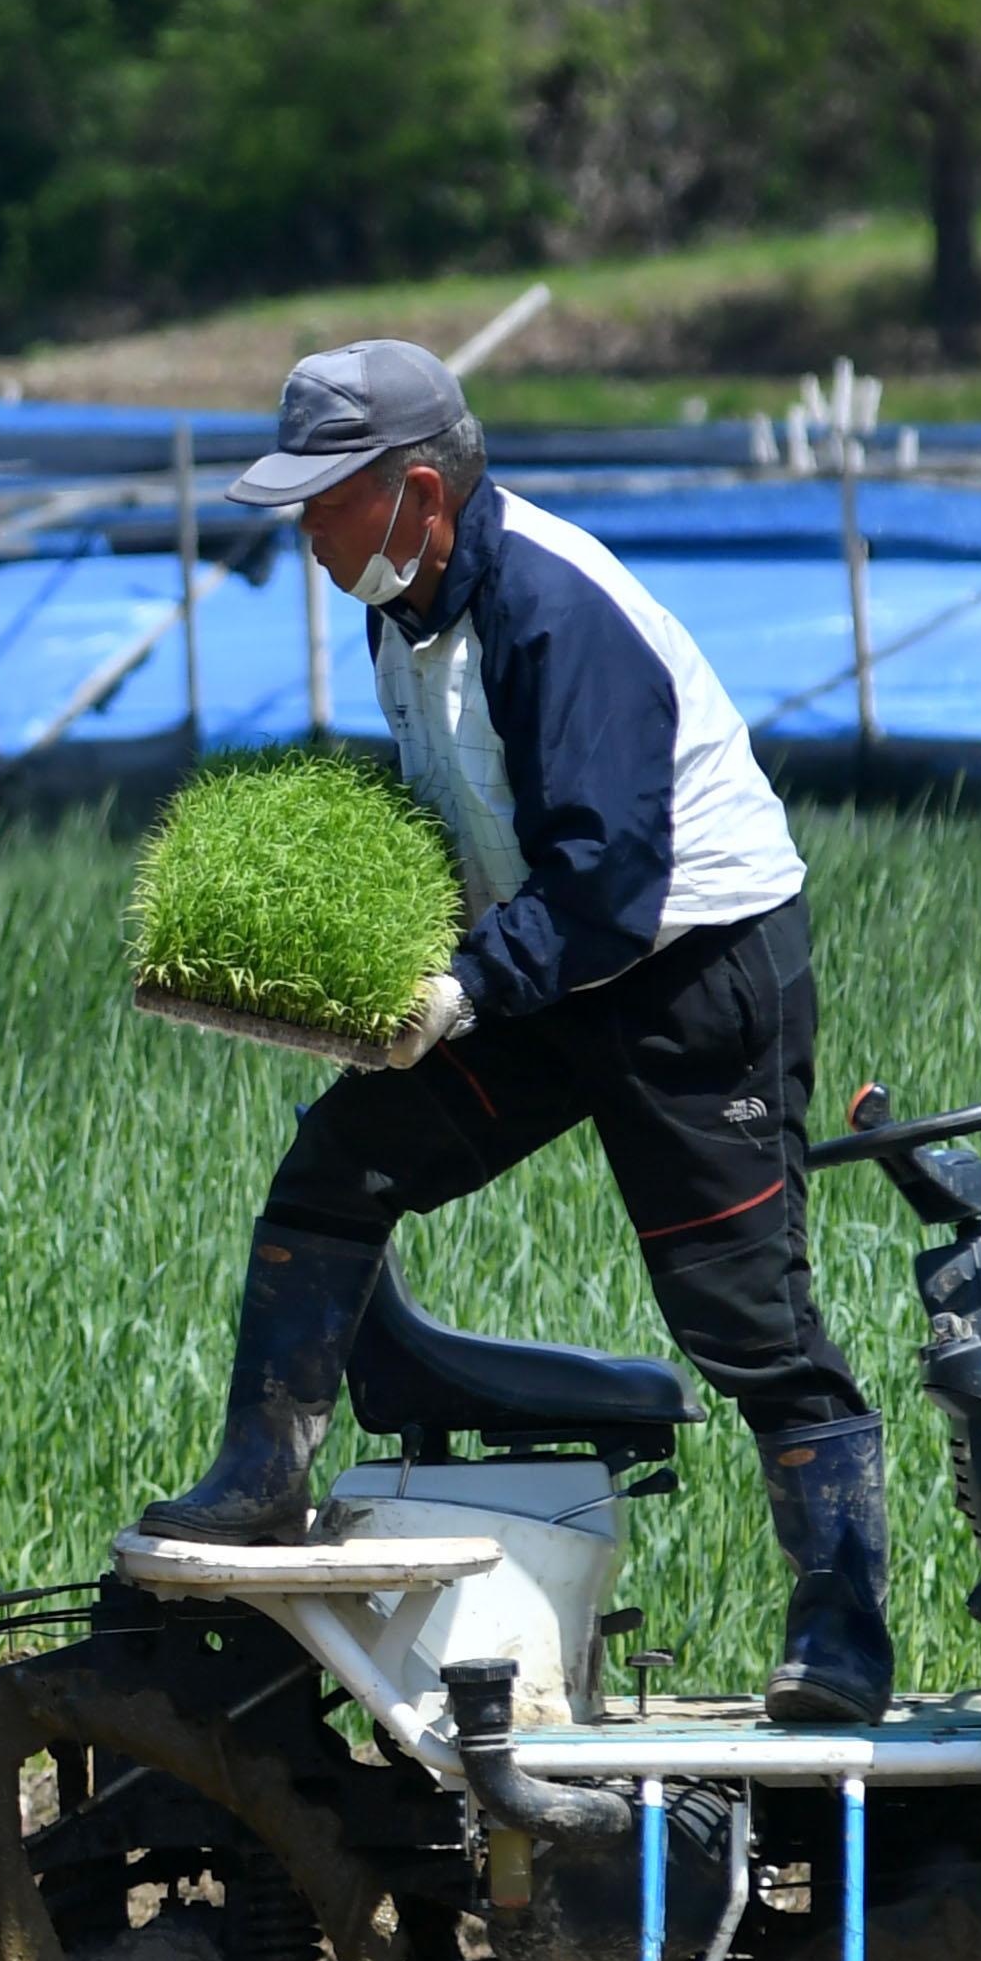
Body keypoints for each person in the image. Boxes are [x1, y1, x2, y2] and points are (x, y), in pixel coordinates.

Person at [138, 339, 897, 1731]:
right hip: (545, 963)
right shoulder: (397, 607)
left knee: (740, 1310)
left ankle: (843, 1627)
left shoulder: (556, 612)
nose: (305, 534)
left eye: (326, 501)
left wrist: (459, 993)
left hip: (690, 973)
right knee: (342, 1164)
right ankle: (262, 1474)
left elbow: (614, 882)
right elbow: (477, 826)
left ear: (420, 494)